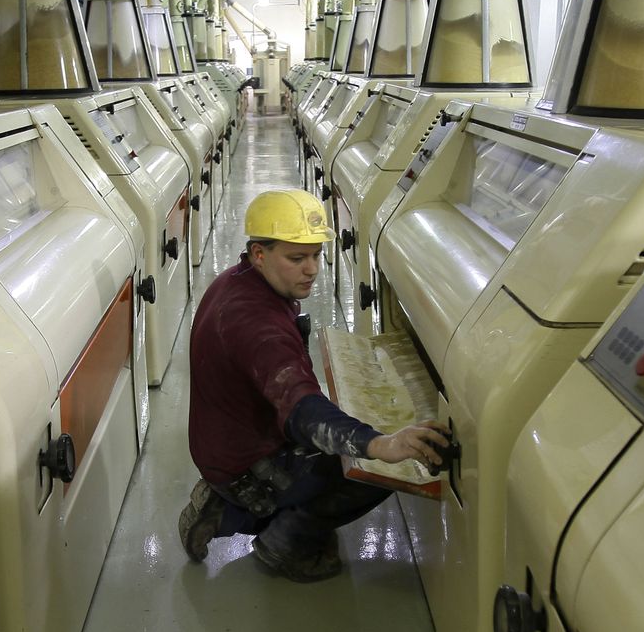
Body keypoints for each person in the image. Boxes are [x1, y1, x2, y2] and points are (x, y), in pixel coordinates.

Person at [179, 188, 452, 582]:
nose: (312, 269)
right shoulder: (256, 325)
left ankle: (222, 508)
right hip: (248, 462)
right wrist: (382, 444)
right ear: (259, 253)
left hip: (227, 444)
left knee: (353, 429)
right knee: (383, 468)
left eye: (315, 255)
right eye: (296, 258)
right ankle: (285, 543)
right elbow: (301, 411)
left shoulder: (236, 282)